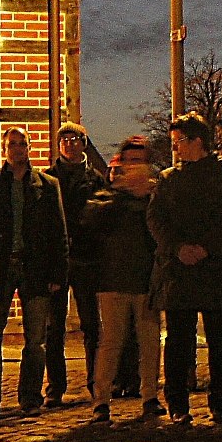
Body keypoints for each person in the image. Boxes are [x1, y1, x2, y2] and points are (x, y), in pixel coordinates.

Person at [149, 113, 222, 425]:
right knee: (179, 341)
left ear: (197, 142)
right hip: (181, 270)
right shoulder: (169, 180)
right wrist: (178, 247)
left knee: (221, 340)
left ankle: (219, 401)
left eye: (179, 142)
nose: (176, 149)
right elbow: (156, 220)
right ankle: (178, 404)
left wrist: (206, 247)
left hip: (217, 268)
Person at [0, 127, 69, 417]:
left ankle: (30, 397)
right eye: (11, 144)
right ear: (4, 149)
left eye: (21, 143)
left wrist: (56, 274)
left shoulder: (47, 186)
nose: (17, 149)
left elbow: (58, 233)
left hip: (34, 267)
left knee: (36, 339)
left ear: (29, 147)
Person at [84, 138, 165, 424]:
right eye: (129, 161)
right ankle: (101, 401)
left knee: (149, 342)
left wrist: (147, 197)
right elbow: (92, 221)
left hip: (146, 278)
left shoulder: (155, 195)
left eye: (139, 161)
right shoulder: (108, 195)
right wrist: (121, 193)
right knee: (111, 343)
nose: (133, 167)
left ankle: (150, 397)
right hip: (113, 279)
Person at [55, 122, 138, 402]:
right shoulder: (49, 179)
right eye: (64, 138)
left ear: (83, 143)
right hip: (57, 259)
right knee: (53, 329)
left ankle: (95, 383)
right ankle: (55, 388)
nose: (69, 143)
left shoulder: (95, 179)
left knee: (92, 326)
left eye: (74, 138)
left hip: (88, 261)